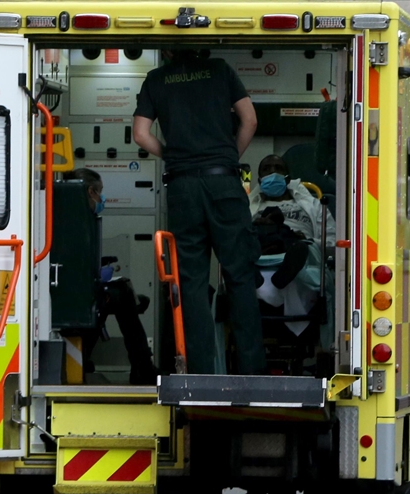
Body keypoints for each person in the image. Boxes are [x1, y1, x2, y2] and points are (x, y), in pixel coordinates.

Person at [132, 49, 265, 375]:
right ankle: (252, 374)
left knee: (191, 282)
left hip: (183, 188)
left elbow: (140, 134)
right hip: (223, 185)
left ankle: (200, 374)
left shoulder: (156, 79)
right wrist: (228, 157)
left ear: (165, 50)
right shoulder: (220, 69)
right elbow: (250, 120)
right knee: (240, 277)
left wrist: (174, 157)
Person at [62, 168, 157, 385]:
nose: (102, 198)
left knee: (121, 292)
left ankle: (141, 365)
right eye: (100, 193)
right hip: (75, 294)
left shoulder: (72, 217)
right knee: (121, 295)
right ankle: (142, 367)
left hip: (75, 289)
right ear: (90, 191)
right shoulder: (76, 221)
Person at [248, 154, 336, 243]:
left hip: (303, 249)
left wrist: (305, 241)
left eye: (278, 168)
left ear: (288, 179)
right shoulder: (247, 209)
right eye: (266, 169)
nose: (273, 172)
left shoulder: (314, 205)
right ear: (260, 181)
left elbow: (331, 241)